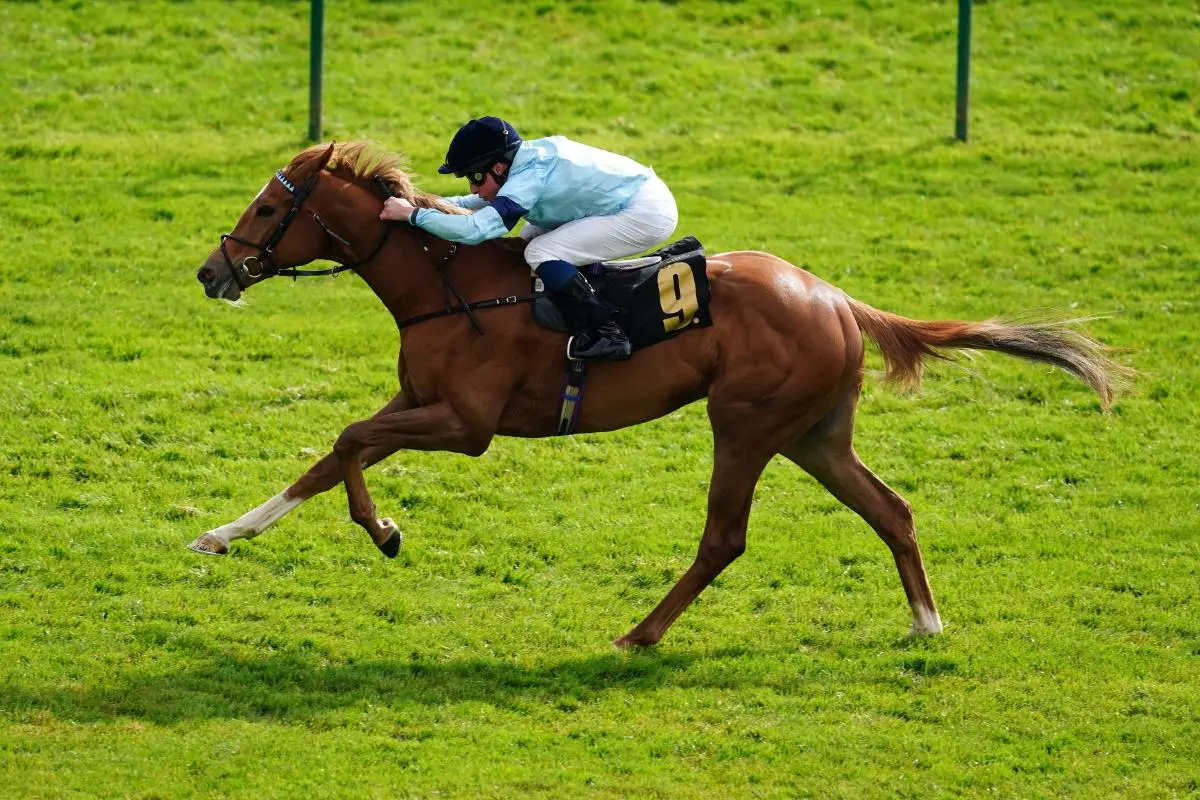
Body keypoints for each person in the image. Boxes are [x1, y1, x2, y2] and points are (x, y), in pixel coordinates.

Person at [380, 117, 678, 361]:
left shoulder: (529, 176)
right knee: (527, 241)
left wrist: (413, 215)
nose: (473, 188)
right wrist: (418, 205)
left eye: (475, 177)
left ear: (498, 167)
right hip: (620, 201)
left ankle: (607, 333)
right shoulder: (520, 165)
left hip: (645, 212)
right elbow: (474, 203)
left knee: (540, 252)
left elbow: (475, 229)